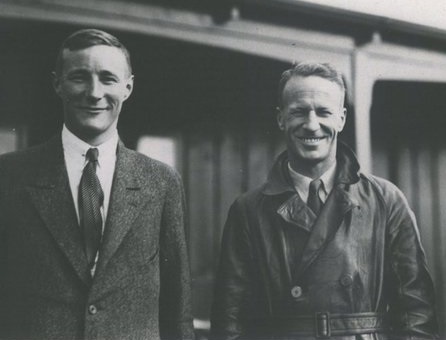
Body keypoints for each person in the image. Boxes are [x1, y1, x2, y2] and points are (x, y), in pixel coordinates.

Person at [210, 62, 438, 339]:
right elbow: (228, 321)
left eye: (323, 112)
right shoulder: (248, 210)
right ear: (281, 118)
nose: (311, 124)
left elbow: (417, 313)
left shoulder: (386, 201)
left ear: (341, 119)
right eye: (299, 111)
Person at [0, 28, 194, 340]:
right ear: (57, 83)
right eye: (79, 77)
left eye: (108, 78)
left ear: (128, 87)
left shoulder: (161, 182)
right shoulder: (10, 176)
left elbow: (177, 307)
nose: (93, 92)